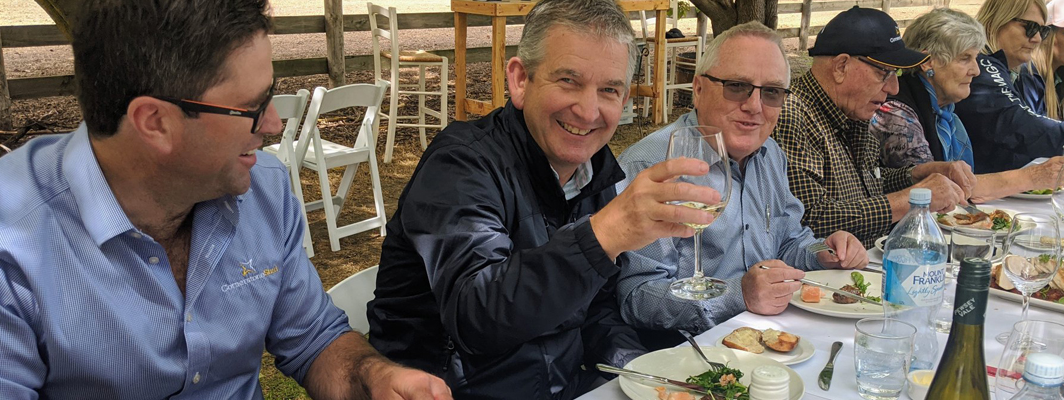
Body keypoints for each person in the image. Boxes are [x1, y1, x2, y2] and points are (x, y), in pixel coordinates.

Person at [0, 1, 451, 399]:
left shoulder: (264, 190)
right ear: (154, 122)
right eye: (253, 106)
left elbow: (313, 340)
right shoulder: (12, 247)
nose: (273, 124)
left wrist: (373, 377)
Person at [366, 0, 723, 397]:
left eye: (608, 89)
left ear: (624, 101)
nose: (588, 111)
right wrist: (603, 235)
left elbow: (598, 311)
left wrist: (641, 374)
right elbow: (476, 318)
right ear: (520, 80)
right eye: (569, 81)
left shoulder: (594, 173)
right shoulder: (460, 166)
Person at [615, 22, 869, 342]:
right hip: (689, 352)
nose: (754, 106)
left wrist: (823, 251)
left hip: (771, 336)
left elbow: (788, 242)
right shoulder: (651, 167)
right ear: (698, 89)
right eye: (737, 86)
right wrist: (738, 295)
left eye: (772, 92)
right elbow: (636, 297)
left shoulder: (770, 153)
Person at [774, 6, 974, 246]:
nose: (894, 88)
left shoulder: (851, 110)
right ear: (841, 67)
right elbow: (809, 220)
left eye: (895, 73)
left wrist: (917, 174)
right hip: (822, 267)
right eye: (884, 73)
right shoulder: (791, 114)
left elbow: (867, 184)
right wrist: (912, 199)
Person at [869, 8, 1064, 202]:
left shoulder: (946, 110)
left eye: (975, 58)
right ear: (928, 62)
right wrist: (1034, 177)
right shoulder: (896, 113)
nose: (975, 71)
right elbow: (935, 190)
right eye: (965, 59)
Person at [953, 0, 1064, 173]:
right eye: (1030, 28)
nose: (1037, 39)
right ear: (997, 21)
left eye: (1042, 31)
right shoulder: (982, 68)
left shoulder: (1010, 71)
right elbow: (1019, 126)